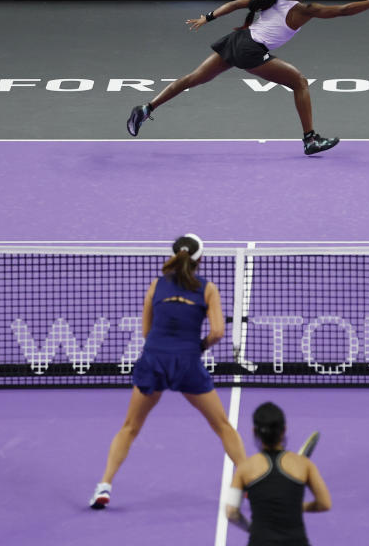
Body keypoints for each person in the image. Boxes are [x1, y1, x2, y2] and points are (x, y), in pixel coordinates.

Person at [126, 0, 369, 155]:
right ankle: (310, 139)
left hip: (236, 39)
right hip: (251, 49)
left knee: (194, 78)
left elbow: (232, 4)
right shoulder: (304, 9)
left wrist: (208, 18)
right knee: (299, 82)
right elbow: (342, 11)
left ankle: (146, 107)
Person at [88, 233, 246, 509]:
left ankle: (104, 486)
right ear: (201, 259)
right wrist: (197, 347)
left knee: (130, 428)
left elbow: (147, 332)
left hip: (154, 361)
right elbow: (219, 331)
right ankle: (252, 480)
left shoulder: (155, 285)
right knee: (222, 425)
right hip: (186, 362)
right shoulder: (207, 289)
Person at [224, 402, 331, 545]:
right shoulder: (304, 465)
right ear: (284, 430)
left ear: (254, 432)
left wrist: (251, 528)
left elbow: (231, 513)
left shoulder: (245, 469)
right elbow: (324, 504)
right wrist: (297, 506)